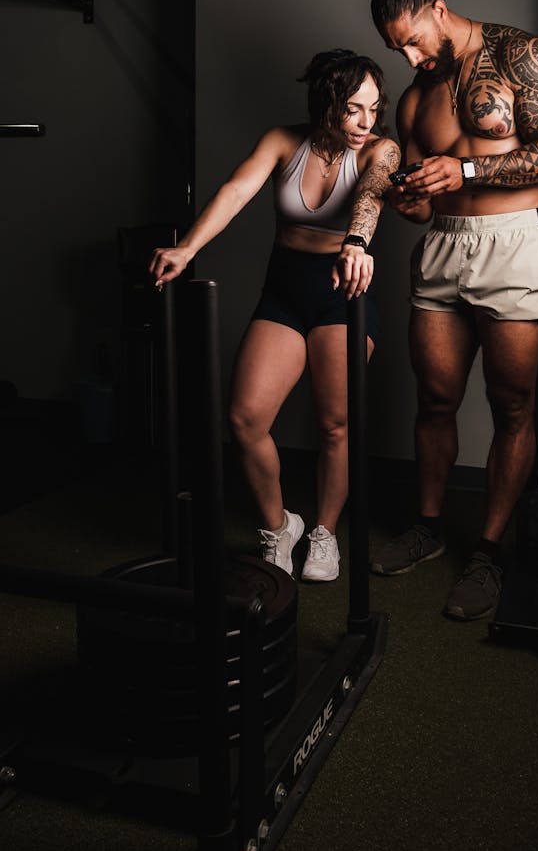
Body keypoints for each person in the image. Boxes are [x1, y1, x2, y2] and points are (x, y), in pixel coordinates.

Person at [368, 0, 538, 621]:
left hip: (517, 244)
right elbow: (427, 201)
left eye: (414, 40)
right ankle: (429, 526)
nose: (410, 59)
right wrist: (414, 201)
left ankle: (488, 550)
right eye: (395, 49)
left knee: (512, 403)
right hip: (444, 249)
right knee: (434, 398)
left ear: (438, 7)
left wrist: (466, 173)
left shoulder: (524, 55)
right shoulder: (414, 99)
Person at [149, 50, 400, 582]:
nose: (365, 123)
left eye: (374, 110)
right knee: (244, 418)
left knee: (335, 423)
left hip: (343, 292)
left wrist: (355, 243)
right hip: (285, 290)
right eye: (353, 109)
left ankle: (326, 532)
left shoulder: (383, 150)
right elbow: (236, 191)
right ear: (326, 104)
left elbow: (372, 196)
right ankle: (279, 525)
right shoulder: (283, 140)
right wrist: (187, 250)